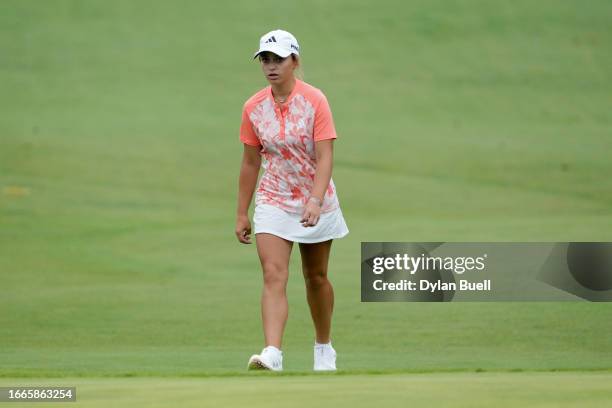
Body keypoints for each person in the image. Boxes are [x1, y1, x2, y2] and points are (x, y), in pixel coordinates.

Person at [235, 29, 349, 371]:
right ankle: (273, 352)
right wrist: (242, 211)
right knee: (273, 274)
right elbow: (251, 161)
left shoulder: (315, 100)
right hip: (273, 198)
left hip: (317, 200)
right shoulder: (253, 107)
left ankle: (324, 347)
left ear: (294, 61)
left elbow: (325, 156)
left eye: (278, 59)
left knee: (316, 277)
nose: (271, 66)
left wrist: (315, 200)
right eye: (265, 60)